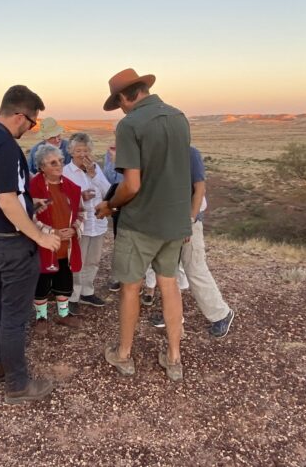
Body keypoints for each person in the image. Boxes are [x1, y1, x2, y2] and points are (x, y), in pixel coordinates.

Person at [95, 68, 192, 382]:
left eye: (118, 102)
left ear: (125, 96)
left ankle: (123, 355)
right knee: (169, 285)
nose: (121, 108)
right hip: (175, 221)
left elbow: (131, 185)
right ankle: (174, 359)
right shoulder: (180, 118)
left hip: (141, 223)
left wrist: (110, 205)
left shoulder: (130, 124)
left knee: (130, 288)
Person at [0, 85, 61, 405]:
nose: (31, 128)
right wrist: (39, 235)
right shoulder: (5, 145)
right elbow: (7, 200)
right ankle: (18, 385)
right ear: (20, 115)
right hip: (12, 245)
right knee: (14, 316)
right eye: (32, 122)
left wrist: (32, 207)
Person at [148, 147, 235, 337]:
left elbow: (199, 188)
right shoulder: (159, 153)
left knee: (194, 267)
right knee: (168, 269)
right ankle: (172, 315)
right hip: (168, 221)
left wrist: (189, 221)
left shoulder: (190, 153)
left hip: (188, 220)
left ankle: (221, 314)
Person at [30, 144, 85, 333]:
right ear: (41, 167)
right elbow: (29, 217)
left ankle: (63, 314)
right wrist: (50, 232)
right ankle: (41, 317)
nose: (59, 165)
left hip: (65, 246)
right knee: (41, 281)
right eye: (53, 162)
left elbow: (81, 212)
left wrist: (74, 228)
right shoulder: (31, 189)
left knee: (64, 280)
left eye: (61, 161)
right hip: (42, 246)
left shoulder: (72, 188)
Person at [63, 132, 111, 315]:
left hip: (97, 223)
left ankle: (87, 292)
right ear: (71, 152)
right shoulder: (66, 172)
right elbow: (61, 200)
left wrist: (94, 175)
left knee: (93, 260)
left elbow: (108, 193)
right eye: (78, 150)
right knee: (76, 261)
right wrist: (80, 198)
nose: (82, 154)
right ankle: (73, 296)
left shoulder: (95, 168)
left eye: (85, 150)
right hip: (78, 225)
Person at [102, 142, 123, 293]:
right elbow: (109, 179)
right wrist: (113, 159)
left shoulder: (134, 151)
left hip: (134, 201)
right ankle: (119, 277)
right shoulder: (110, 154)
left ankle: (141, 281)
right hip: (118, 201)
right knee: (119, 239)